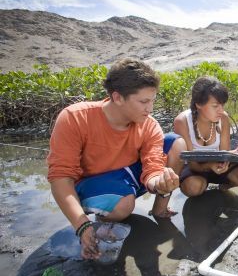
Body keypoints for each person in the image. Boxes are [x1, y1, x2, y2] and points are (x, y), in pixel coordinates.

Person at [47, 58, 186, 260]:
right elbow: (60, 179)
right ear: (118, 97)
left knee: (176, 143)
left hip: (127, 174)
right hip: (91, 182)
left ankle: (158, 208)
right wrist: (82, 225)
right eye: (143, 102)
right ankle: (102, 216)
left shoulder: (149, 125)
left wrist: (160, 183)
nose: (150, 109)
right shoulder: (74, 118)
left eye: (153, 100)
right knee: (123, 206)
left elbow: (152, 166)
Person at [166, 76, 238, 199]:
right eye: (215, 106)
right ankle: (202, 194)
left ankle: (224, 187)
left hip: (217, 165)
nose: (221, 110)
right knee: (193, 187)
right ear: (198, 104)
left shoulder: (223, 118)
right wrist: (209, 165)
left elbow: (224, 153)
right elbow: (191, 163)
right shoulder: (182, 121)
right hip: (195, 169)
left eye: (222, 105)